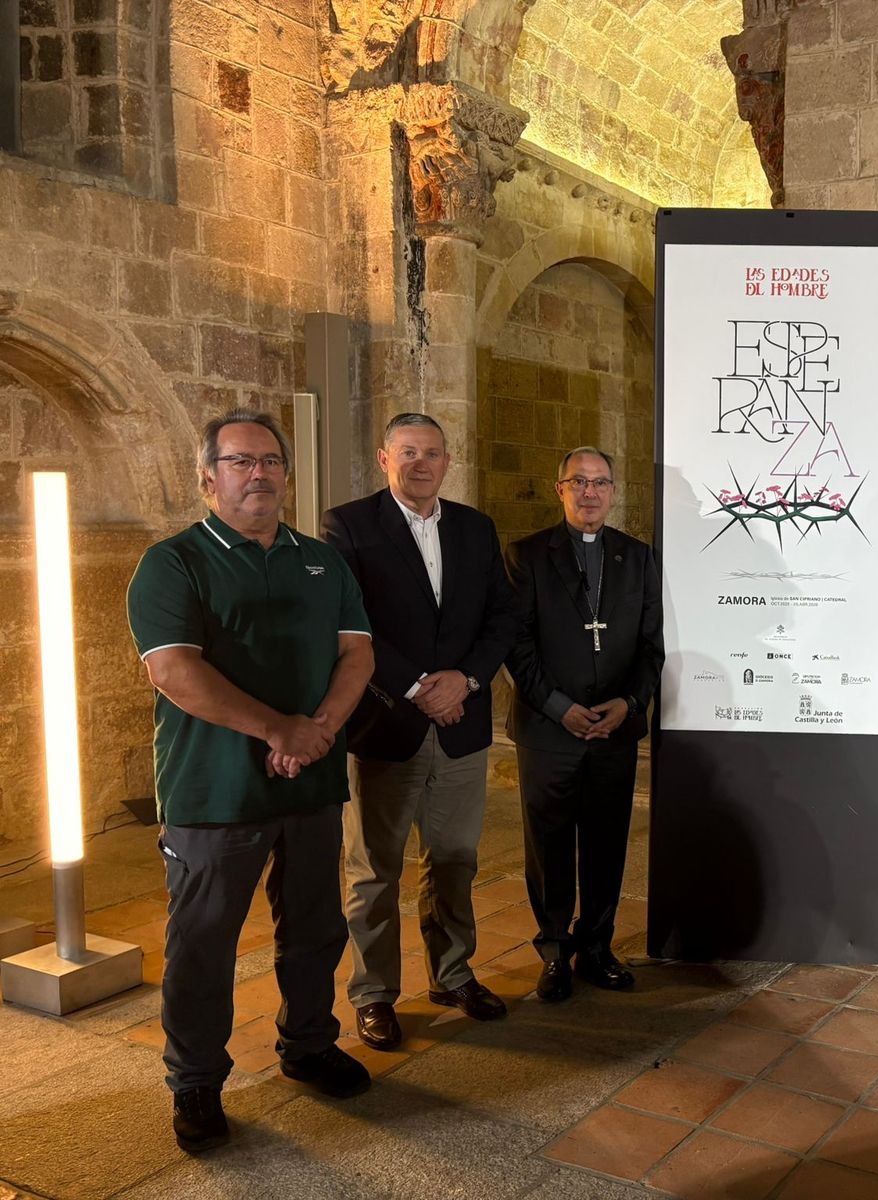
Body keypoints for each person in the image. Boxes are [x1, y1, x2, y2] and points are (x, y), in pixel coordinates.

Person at [126, 409, 375, 1154]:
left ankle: (307, 1045)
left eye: (270, 461)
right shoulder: (173, 562)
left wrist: (318, 730)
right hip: (213, 793)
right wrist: (279, 730)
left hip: (310, 784)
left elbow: (357, 653)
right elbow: (174, 672)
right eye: (240, 462)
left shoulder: (322, 560)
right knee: (204, 943)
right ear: (208, 478)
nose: (258, 474)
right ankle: (196, 1080)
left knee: (316, 930)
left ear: (286, 475)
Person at [321, 413, 520, 1051]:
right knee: (373, 869)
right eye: (407, 452)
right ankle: (374, 993)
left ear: (447, 460)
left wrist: (465, 679)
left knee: (456, 861)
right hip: (386, 723)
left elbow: (503, 616)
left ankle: (452, 974)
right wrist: (417, 688)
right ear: (384, 458)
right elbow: (348, 621)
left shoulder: (475, 527)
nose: (420, 464)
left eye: (431, 453)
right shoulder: (348, 526)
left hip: (462, 725)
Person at [505, 447, 663, 1003]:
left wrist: (629, 702)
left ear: (613, 492)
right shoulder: (526, 555)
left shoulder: (638, 557)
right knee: (548, 845)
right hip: (550, 730)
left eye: (600, 483)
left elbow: (651, 646)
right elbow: (516, 643)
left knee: (606, 842)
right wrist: (556, 706)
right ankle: (554, 950)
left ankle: (597, 946)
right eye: (579, 482)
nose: (590, 492)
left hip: (613, 728)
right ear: (560, 489)